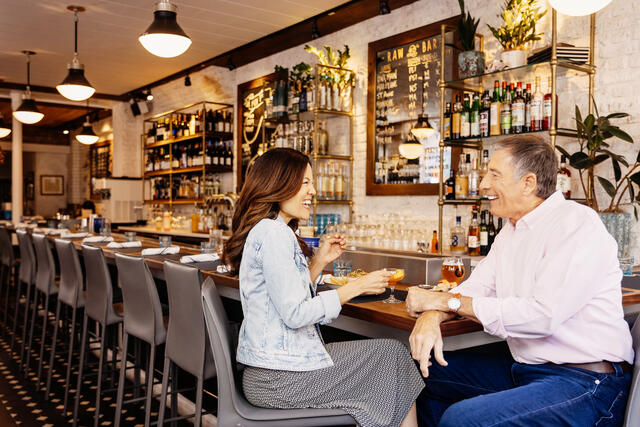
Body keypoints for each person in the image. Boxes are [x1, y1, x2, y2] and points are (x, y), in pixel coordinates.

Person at [405, 135, 634, 426]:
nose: (483, 184)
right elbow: (477, 287)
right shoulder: (511, 231)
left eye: (494, 174)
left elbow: (542, 316)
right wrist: (432, 316)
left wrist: (444, 301)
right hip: (527, 368)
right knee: (421, 373)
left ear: (528, 183)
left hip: (587, 381)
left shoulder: (576, 224)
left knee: (462, 419)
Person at [223, 148, 424, 427]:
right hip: (279, 378)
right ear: (278, 183)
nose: (313, 191)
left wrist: (319, 262)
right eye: (305, 182)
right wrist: (355, 287)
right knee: (393, 356)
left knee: (392, 357)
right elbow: (295, 313)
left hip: (272, 370)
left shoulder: (269, 229)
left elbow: (285, 296)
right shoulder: (274, 233)